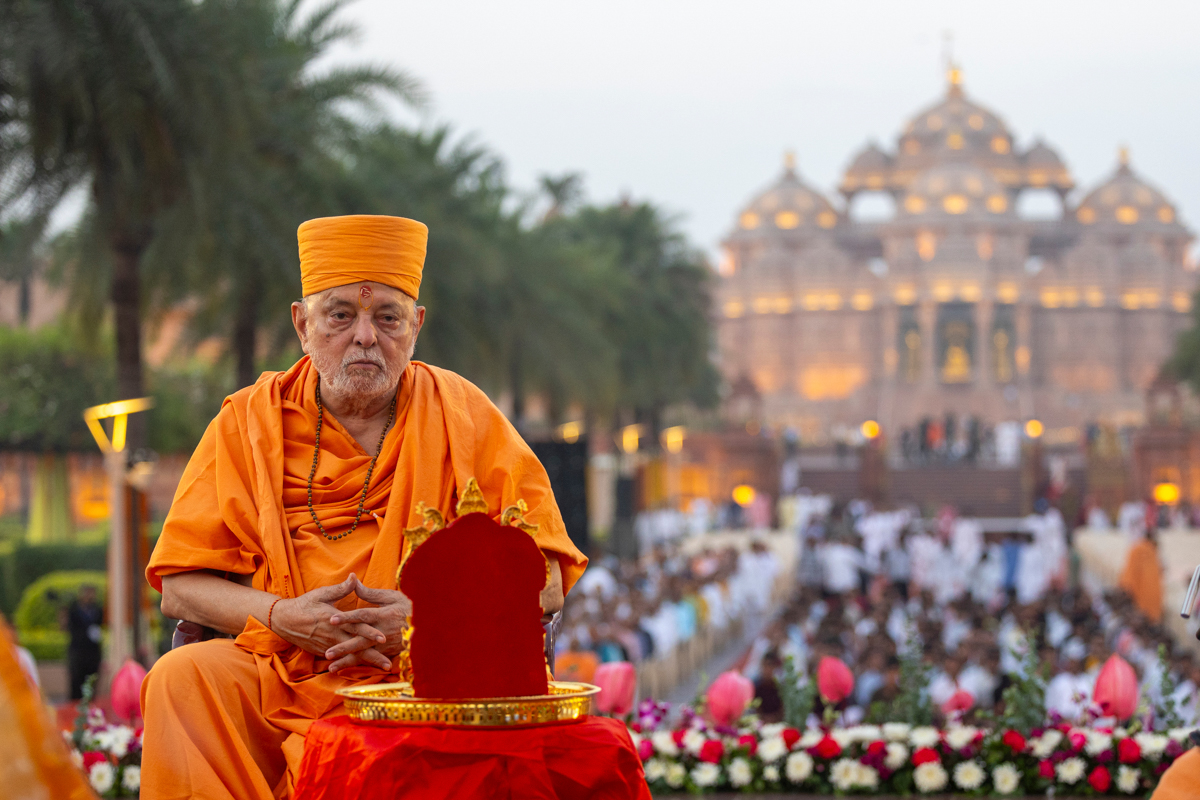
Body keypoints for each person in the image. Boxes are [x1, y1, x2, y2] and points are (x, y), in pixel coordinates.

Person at [141, 215, 588, 799]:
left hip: (423, 679)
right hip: (280, 666)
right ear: (302, 324)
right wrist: (282, 616)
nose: (365, 337)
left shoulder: (464, 416)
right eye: (340, 315)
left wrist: (431, 621)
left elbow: (547, 582)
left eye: (387, 318)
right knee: (179, 677)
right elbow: (179, 588)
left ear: (416, 326)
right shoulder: (246, 422)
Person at [64, 583, 102, 700]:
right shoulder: (74, 610)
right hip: (78, 653)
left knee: (91, 684)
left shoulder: (97, 610)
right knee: (77, 684)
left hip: (92, 654)